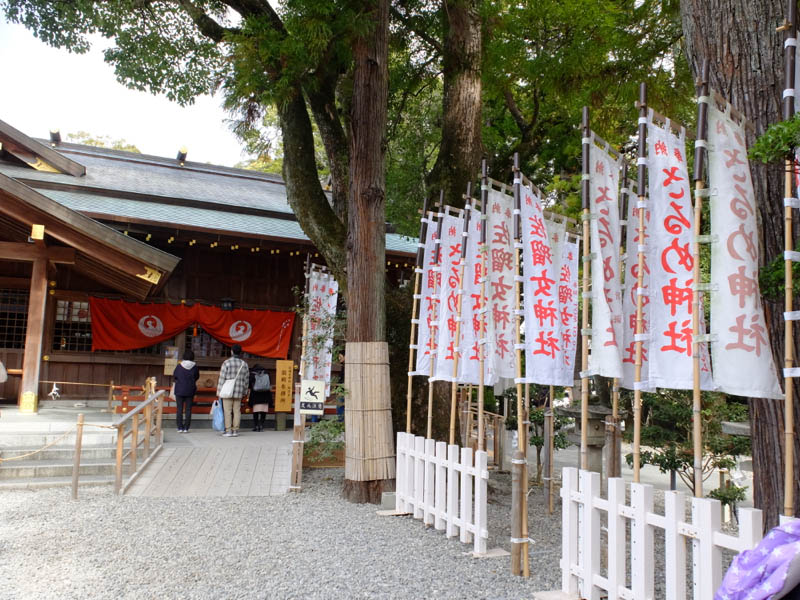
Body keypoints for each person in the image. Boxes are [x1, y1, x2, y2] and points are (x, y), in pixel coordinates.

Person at [216, 344, 249, 437]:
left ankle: (228, 430)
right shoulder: (244, 364)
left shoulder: (226, 363)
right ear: (240, 352)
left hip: (227, 391)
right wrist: (244, 391)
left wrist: (219, 392)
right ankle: (235, 431)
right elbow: (246, 380)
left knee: (227, 411)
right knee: (237, 411)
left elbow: (222, 378)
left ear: (231, 351)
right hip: (239, 391)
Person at [172, 350, 199, 433]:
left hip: (179, 389)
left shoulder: (179, 366)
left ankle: (180, 427)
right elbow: (197, 377)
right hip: (190, 389)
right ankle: (186, 428)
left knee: (179, 409)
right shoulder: (195, 367)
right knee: (188, 409)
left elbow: (175, 376)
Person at [248, 364, 272, 432]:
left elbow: (249, 385)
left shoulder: (252, 374)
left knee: (255, 412)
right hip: (265, 395)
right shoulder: (267, 374)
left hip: (255, 395)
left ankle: (256, 426)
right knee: (263, 412)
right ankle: (261, 426)